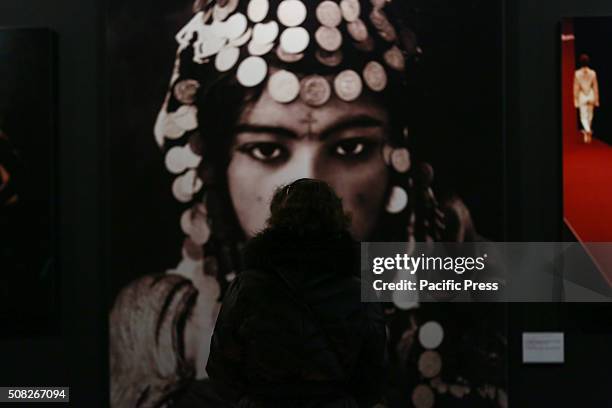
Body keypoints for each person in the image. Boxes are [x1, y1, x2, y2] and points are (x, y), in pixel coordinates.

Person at [110, 0, 508, 406]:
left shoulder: (465, 274)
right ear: (217, 165)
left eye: (351, 148)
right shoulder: (164, 323)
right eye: (266, 150)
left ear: (398, 157)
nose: (309, 187)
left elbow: (573, 278)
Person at [204, 178, 387, 407]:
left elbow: (221, 370)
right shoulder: (358, 292)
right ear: (336, 220)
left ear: (277, 220)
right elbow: (374, 377)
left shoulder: (248, 287)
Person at [574, 53, 600, 143]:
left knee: (583, 117)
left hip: (582, 96)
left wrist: (575, 99)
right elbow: (595, 87)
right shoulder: (593, 73)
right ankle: (587, 136)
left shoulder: (577, 73)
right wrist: (597, 99)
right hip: (591, 94)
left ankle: (587, 131)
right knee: (590, 115)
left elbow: (576, 87)